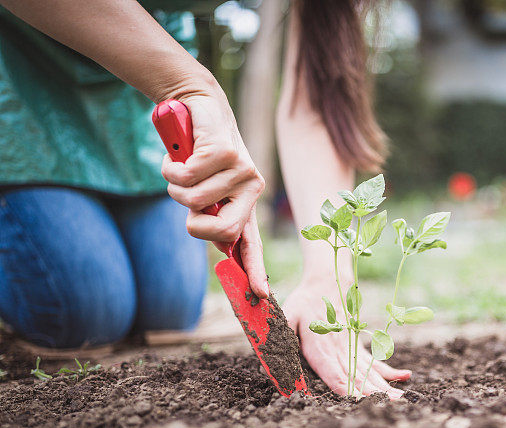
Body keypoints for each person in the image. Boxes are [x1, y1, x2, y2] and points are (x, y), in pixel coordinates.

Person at [0, 0, 411, 398]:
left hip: (144, 96)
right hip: (25, 83)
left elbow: (319, 101)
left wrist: (328, 278)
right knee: (85, 311)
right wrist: (190, 85)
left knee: (170, 309)